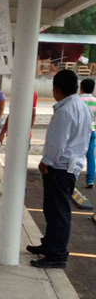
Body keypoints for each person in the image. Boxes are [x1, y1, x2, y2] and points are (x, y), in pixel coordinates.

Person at [29, 70, 91, 269]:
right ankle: (49, 245)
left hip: (60, 167)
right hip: (71, 165)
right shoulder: (82, 107)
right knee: (52, 209)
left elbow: (58, 143)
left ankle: (57, 254)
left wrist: (45, 162)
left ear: (56, 89)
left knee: (58, 212)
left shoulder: (65, 111)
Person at [78, 78, 96, 188]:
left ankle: (73, 175)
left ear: (81, 88)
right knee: (91, 156)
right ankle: (90, 180)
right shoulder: (95, 101)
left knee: (76, 154)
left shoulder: (78, 100)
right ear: (93, 89)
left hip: (79, 132)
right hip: (92, 131)